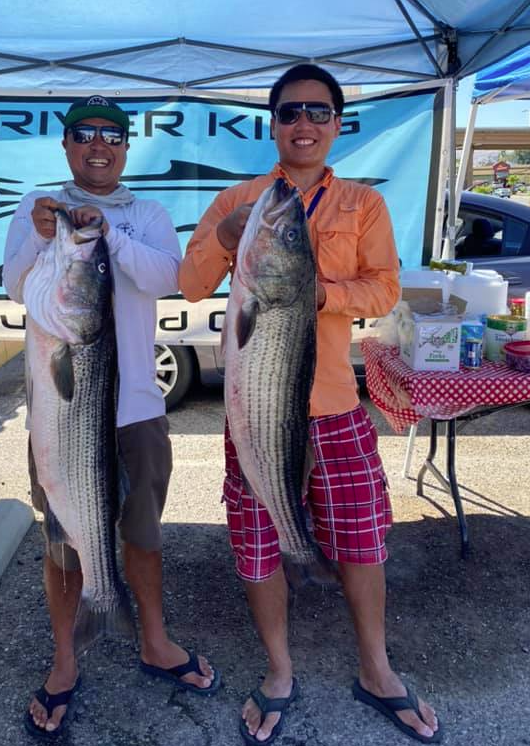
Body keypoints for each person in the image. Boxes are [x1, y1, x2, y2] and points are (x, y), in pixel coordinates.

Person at [179, 65, 441, 745]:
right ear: (272, 123)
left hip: (334, 408)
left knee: (361, 544)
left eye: (318, 112)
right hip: (254, 415)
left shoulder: (362, 204)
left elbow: (383, 289)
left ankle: (376, 670)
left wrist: (323, 295)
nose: (304, 124)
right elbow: (188, 283)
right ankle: (277, 671)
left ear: (335, 124)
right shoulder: (239, 198)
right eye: (290, 111)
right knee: (258, 544)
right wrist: (226, 237)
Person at [4, 95, 219, 740]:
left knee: (143, 531)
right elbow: (17, 285)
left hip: (137, 412)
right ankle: (65, 658)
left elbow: (168, 277)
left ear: (126, 147)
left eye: (112, 135)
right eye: (84, 134)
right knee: (62, 533)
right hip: (62, 413)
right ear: (66, 144)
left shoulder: (148, 214)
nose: (99, 145)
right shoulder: (37, 210)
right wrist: (50, 236)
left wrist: (106, 237)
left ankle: (152, 637)